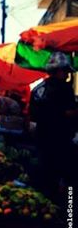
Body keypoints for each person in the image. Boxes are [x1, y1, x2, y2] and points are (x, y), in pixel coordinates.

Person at [29, 52, 78, 202]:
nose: (68, 75)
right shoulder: (63, 88)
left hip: (41, 139)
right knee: (63, 181)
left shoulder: (37, 89)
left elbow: (33, 116)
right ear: (59, 70)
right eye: (66, 71)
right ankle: (61, 216)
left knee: (44, 178)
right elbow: (69, 112)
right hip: (59, 141)